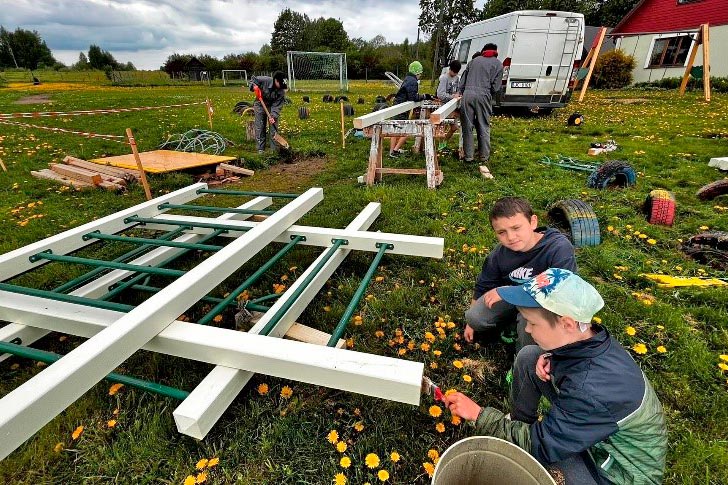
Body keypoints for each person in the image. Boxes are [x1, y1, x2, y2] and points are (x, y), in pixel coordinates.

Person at [445, 268, 668, 484]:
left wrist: (478, 415)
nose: (528, 330)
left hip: (615, 472)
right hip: (598, 435)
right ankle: (518, 426)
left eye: (532, 323)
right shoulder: (588, 339)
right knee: (530, 357)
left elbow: (541, 446)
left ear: (567, 324)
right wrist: (554, 355)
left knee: (543, 461)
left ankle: (518, 440)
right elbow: (578, 360)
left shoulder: (589, 390)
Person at [464, 197, 576, 351]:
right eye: (502, 232)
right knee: (474, 317)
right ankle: (511, 323)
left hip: (544, 304)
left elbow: (559, 290)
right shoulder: (498, 255)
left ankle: (523, 360)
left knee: (530, 326)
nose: (510, 237)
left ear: (533, 222)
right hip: (509, 299)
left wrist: (508, 292)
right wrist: (471, 324)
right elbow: (483, 286)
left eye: (516, 228)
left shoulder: (558, 248)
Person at [458, 43, 503, 163]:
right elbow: (496, 87)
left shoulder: (473, 61)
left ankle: (469, 157)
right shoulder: (498, 64)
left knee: (467, 127)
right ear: (495, 51)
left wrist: (461, 92)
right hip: (484, 95)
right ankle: (484, 156)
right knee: (483, 125)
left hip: (467, 95)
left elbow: (462, 81)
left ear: (484, 51)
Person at [389, 60, 433, 158]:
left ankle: (392, 150)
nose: (420, 76)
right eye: (420, 74)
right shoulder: (413, 81)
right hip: (402, 108)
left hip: (397, 106)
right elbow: (413, 97)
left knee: (395, 130)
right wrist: (425, 96)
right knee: (407, 130)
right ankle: (395, 151)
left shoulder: (407, 79)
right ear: (417, 72)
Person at [249, 71, 287, 154]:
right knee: (260, 125)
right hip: (260, 104)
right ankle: (260, 149)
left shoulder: (281, 91)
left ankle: (274, 150)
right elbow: (253, 80)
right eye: (280, 84)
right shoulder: (264, 80)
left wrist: (273, 115)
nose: (281, 87)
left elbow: (277, 106)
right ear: (276, 80)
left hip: (272, 106)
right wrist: (254, 86)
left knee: (274, 126)